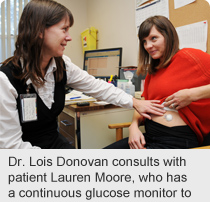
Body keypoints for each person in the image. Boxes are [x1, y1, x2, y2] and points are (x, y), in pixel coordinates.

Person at [0, 0, 165, 149]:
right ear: (39, 31)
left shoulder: (61, 64)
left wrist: (135, 102)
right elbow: (11, 147)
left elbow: (97, 87)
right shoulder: (5, 79)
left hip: (55, 144)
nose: (69, 37)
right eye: (64, 29)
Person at [105, 15, 210, 149]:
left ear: (168, 36)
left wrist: (191, 95)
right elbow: (143, 104)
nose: (148, 46)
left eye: (153, 38)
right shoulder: (153, 70)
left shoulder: (190, 57)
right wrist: (134, 126)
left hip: (175, 141)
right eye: (144, 41)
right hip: (148, 137)